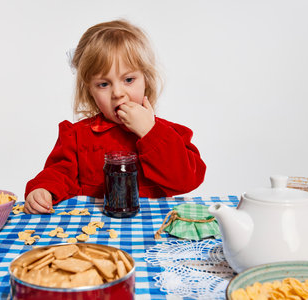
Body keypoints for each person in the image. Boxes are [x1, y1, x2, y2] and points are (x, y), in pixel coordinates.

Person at [24, 19, 206, 214]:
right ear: (90, 91)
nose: (117, 93)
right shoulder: (77, 136)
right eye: (103, 84)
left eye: (128, 80)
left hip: (153, 230)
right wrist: (43, 189)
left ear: (146, 80)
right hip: (94, 231)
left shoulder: (169, 134)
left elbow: (187, 180)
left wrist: (150, 132)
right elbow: (59, 172)